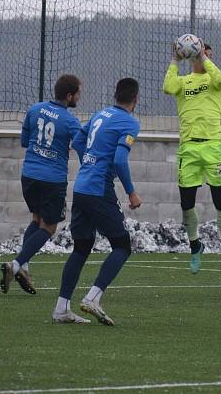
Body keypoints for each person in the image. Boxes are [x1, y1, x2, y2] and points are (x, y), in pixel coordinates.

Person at [52, 78, 142, 325]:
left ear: (115, 95)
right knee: (122, 246)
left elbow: (79, 142)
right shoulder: (129, 123)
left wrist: (90, 162)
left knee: (81, 247)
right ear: (136, 99)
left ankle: (61, 308)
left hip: (81, 187)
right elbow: (120, 160)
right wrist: (131, 192)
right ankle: (93, 298)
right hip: (99, 189)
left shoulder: (100, 114)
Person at [0, 74, 82, 295]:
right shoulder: (70, 121)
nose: (79, 97)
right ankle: (15, 265)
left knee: (36, 220)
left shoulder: (35, 109)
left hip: (29, 175)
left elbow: (25, 141)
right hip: (52, 179)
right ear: (69, 95)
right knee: (49, 227)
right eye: (78, 93)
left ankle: (23, 267)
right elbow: (81, 147)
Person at [163, 37, 221, 276]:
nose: (206, 58)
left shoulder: (214, 81)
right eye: (202, 54)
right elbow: (167, 87)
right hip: (189, 148)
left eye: (208, 54)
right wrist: (175, 59)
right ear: (189, 56)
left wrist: (202, 55)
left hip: (214, 147)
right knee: (186, 204)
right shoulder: (183, 82)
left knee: (220, 202)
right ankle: (195, 246)